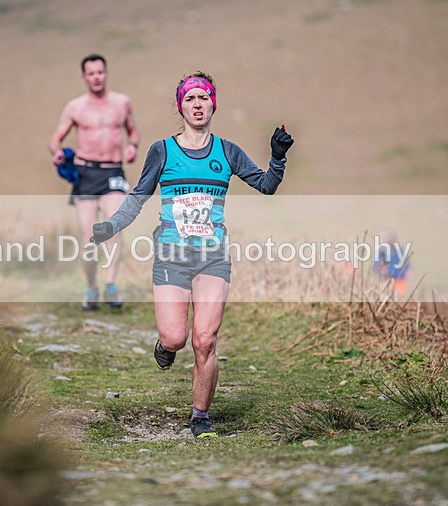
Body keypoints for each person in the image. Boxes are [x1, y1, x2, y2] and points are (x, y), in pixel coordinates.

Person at [90, 71, 294, 438]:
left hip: (213, 256)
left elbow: (266, 186)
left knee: (205, 339)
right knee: (175, 339)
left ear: (213, 103)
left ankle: (200, 417)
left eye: (203, 98)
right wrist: (111, 226)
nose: (197, 105)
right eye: (190, 99)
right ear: (180, 106)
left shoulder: (227, 151)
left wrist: (277, 157)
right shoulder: (162, 151)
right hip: (171, 256)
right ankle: (165, 347)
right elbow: (138, 196)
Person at [49, 54, 140, 310]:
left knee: (115, 228)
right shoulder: (75, 107)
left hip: (113, 172)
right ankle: (91, 288)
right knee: (88, 238)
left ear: (106, 73)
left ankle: (110, 286)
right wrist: (56, 151)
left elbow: (133, 131)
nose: (96, 77)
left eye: (100, 72)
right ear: (84, 77)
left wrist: (132, 146)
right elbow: (55, 138)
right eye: (91, 73)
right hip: (86, 174)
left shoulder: (122, 103)